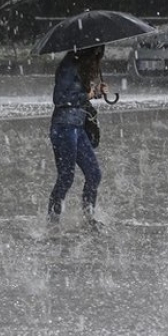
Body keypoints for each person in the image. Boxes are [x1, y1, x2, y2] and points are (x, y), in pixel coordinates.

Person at [47, 45, 109, 233]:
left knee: (94, 174)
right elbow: (59, 98)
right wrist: (87, 94)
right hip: (63, 127)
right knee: (66, 177)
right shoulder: (69, 65)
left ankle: (89, 218)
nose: (97, 60)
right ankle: (52, 222)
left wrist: (97, 91)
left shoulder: (81, 66)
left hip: (77, 126)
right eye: (97, 55)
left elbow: (79, 97)